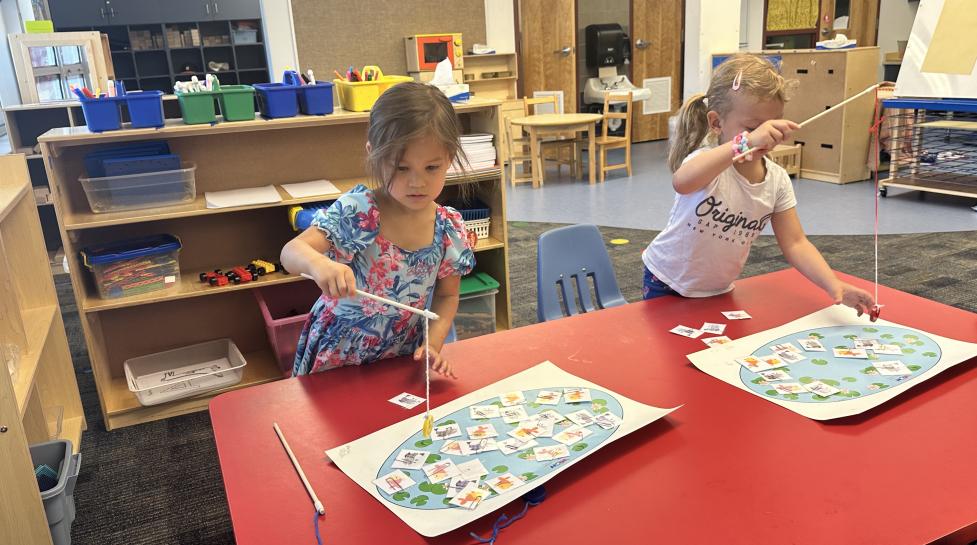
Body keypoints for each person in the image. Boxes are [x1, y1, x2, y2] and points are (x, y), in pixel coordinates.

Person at [641, 54, 876, 319]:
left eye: (770, 126)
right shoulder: (709, 162)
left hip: (717, 288)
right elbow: (682, 182)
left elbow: (796, 243)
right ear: (717, 123)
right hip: (666, 281)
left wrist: (835, 285)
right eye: (753, 128)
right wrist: (745, 143)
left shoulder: (776, 180)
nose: (763, 137)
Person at [281, 82, 475, 377]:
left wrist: (433, 345)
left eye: (432, 168)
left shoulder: (448, 228)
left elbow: (447, 297)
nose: (417, 182)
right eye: (401, 167)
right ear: (373, 153)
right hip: (338, 355)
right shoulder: (361, 211)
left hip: (399, 355)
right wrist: (319, 264)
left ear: (450, 157)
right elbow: (291, 252)